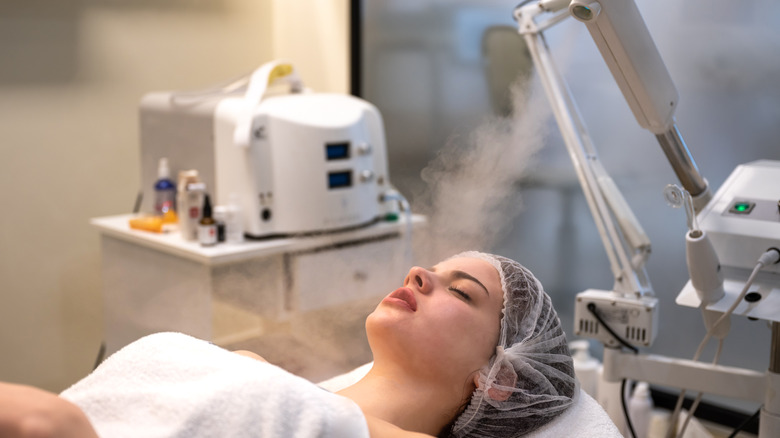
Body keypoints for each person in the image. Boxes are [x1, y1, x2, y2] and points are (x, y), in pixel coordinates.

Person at [0, 251, 576, 438]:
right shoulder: (261, 371)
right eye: (431, 268)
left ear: (499, 378)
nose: (419, 273)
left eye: (463, 292)